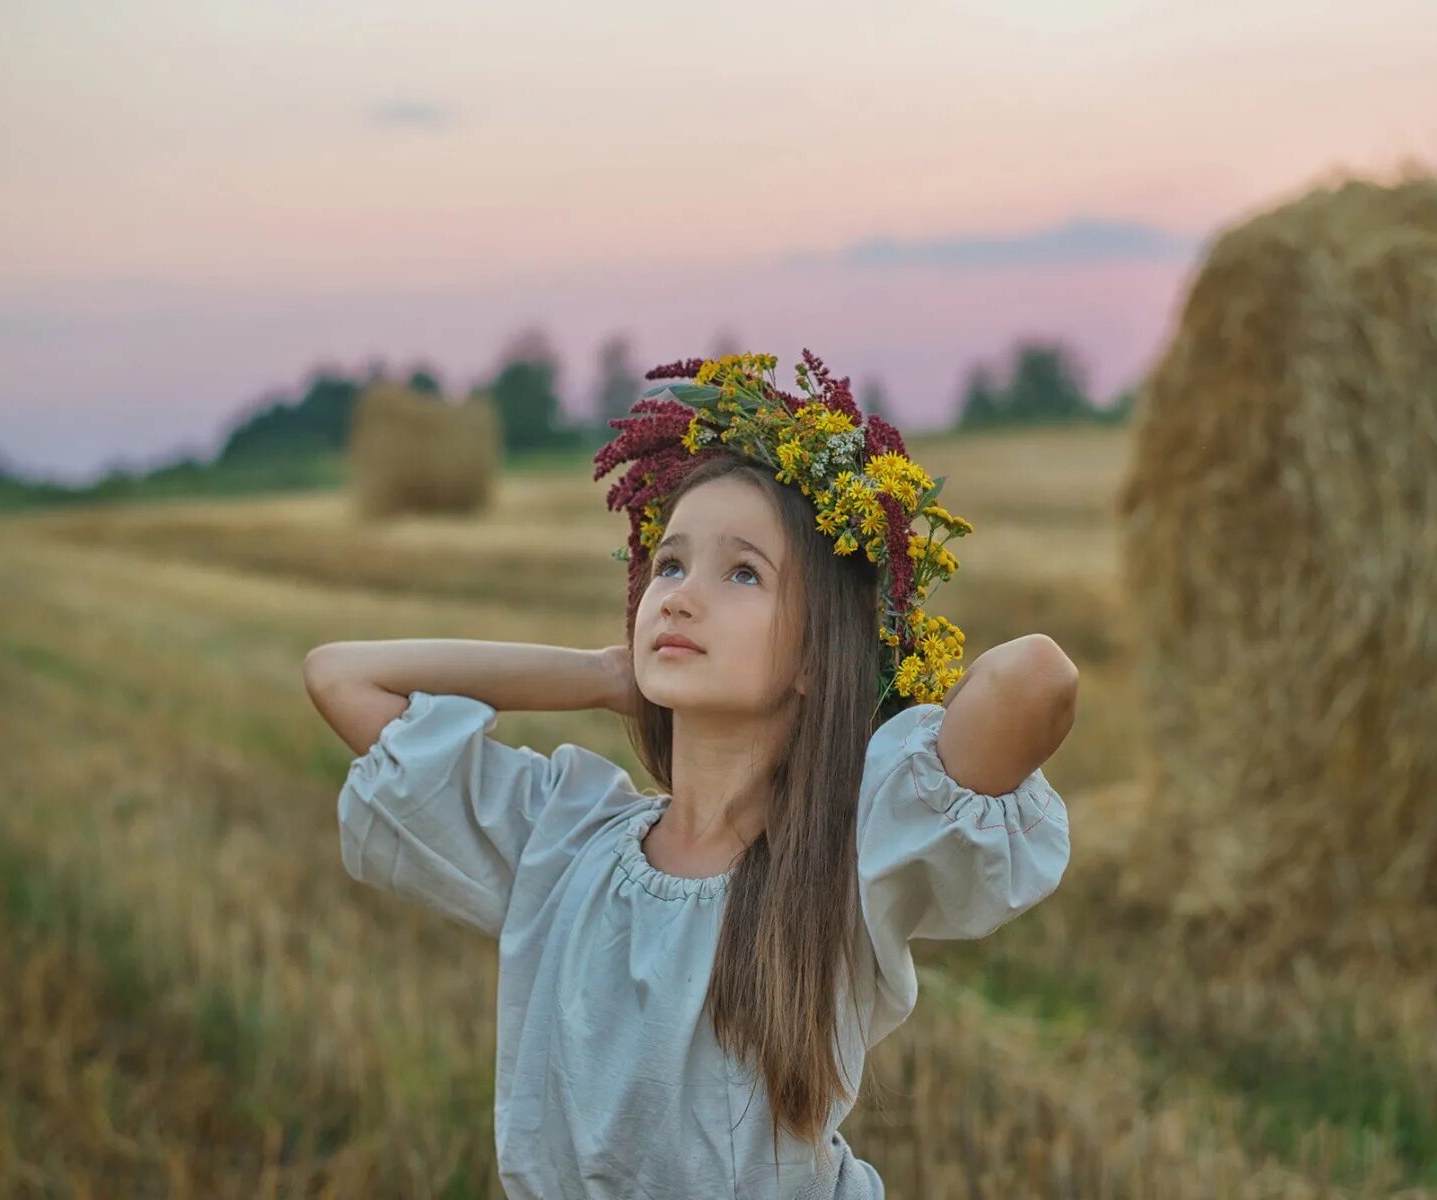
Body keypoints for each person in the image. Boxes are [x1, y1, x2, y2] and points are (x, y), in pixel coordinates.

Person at [304, 351, 1076, 1198]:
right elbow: (343, 676)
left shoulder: (844, 854)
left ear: (817, 655)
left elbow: (1034, 680)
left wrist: (868, 683)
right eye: (668, 565)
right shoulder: (564, 842)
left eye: (742, 573)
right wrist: (606, 674)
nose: (678, 596)